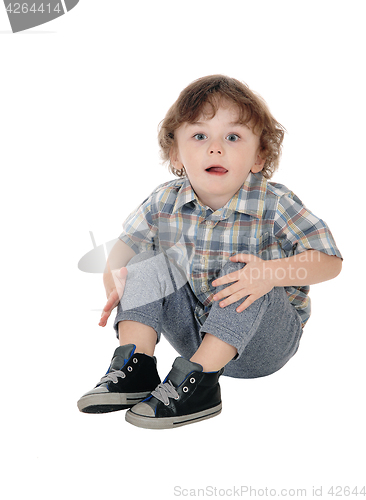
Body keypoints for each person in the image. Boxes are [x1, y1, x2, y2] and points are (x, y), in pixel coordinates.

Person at [77, 75, 343, 429]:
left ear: (259, 156)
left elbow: (330, 262)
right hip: (194, 335)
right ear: (176, 153)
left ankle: (201, 386)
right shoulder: (164, 200)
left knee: (246, 273)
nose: (215, 148)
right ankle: (136, 365)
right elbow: (124, 250)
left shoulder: (274, 203)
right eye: (200, 136)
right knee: (144, 264)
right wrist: (115, 286)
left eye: (232, 137)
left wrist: (272, 273)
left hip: (263, 343)